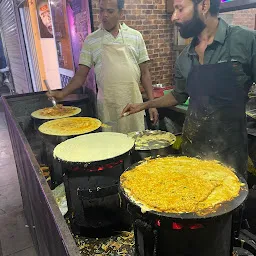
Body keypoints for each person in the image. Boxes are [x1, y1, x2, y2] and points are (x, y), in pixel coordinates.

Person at [122, 0, 256, 179]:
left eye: (180, 9)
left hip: (229, 154)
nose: (173, 17)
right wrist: (144, 105)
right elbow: (178, 95)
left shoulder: (245, 41)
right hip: (192, 149)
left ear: (204, 5)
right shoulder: (185, 58)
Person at [47, 0, 158, 133]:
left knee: (136, 144)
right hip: (108, 106)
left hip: (134, 104)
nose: (104, 15)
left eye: (110, 11)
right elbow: (80, 76)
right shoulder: (91, 40)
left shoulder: (135, 37)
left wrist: (152, 104)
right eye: (101, 10)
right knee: (111, 147)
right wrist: (62, 93)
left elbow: (145, 73)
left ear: (120, 13)